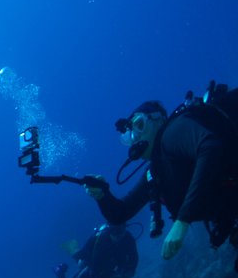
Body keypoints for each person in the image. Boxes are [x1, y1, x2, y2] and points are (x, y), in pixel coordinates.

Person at [86, 90, 238, 263]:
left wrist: (182, 221)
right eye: (129, 136)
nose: (135, 138)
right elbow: (120, 214)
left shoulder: (173, 131)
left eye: (139, 125)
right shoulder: (155, 173)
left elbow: (210, 146)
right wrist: (102, 196)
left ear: (159, 120)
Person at [54, 223, 138, 278]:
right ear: (110, 230)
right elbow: (93, 266)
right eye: (115, 232)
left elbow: (133, 260)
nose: (118, 236)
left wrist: (127, 275)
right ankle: (59, 271)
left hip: (107, 268)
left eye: (120, 231)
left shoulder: (129, 240)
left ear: (125, 227)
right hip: (90, 266)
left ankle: (76, 253)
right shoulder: (102, 239)